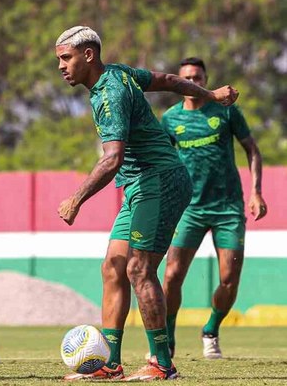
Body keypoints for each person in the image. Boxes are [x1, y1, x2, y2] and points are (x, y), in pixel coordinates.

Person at [54, 26, 239, 381]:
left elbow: (112, 159)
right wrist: (211, 94)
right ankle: (110, 364)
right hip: (140, 185)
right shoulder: (120, 73)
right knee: (114, 266)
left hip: (160, 180)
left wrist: (76, 199)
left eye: (66, 58)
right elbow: (169, 79)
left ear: (88, 54)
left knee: (139, 269)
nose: (61, 66)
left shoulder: (110, 93)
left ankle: (162, 364)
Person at [160, 57, 267, 359]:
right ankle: (167, 339)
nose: (193, 83)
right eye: (187, 79)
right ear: (178, 83)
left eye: (198, 77)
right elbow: (162, 161)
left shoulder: (226, 110)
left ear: (206, 80)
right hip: (188, 209)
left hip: (228, 208)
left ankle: (210, 329)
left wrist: (256, 192)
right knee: (171, 276)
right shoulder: (170, 119)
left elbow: (252, 150)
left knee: (229, 279)